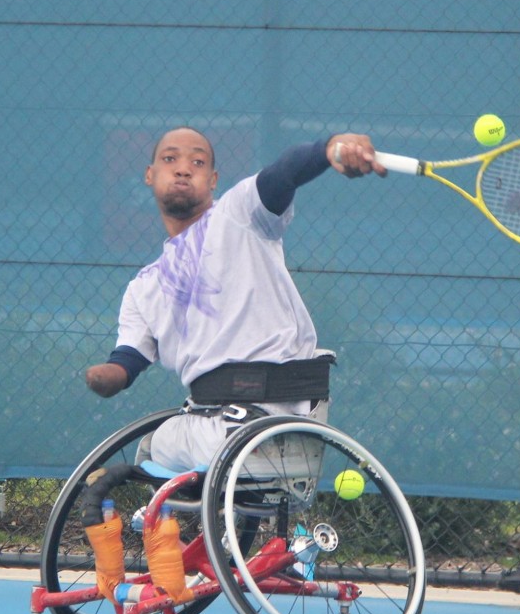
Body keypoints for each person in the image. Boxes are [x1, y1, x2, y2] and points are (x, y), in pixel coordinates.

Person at [84, 126, 387, 472]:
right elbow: (129, 359)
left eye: (197, 162)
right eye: (170, 159)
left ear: (213, 180)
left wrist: (329, 149)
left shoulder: (238, 215)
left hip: (267, 421)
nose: (183, 168)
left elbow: (284, 172)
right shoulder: (143, 287)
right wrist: (106, 375)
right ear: (150, 175)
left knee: (152, 448)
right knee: (160, 446)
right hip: (211, 421)